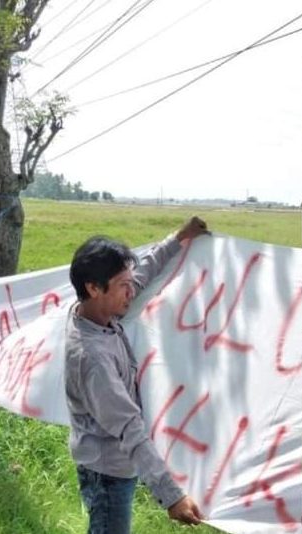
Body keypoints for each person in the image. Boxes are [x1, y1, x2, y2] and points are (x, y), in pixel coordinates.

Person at [65, 216, 209, 534]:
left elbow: (142, 273)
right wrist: (172, 497)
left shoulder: (101, 313)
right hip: (107, 473)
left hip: (113, 464)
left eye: (130, 285)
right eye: (123, 286)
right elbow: (129, 427)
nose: (132, 292)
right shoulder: (93, 359)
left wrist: (179, 238)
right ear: (93, 288)